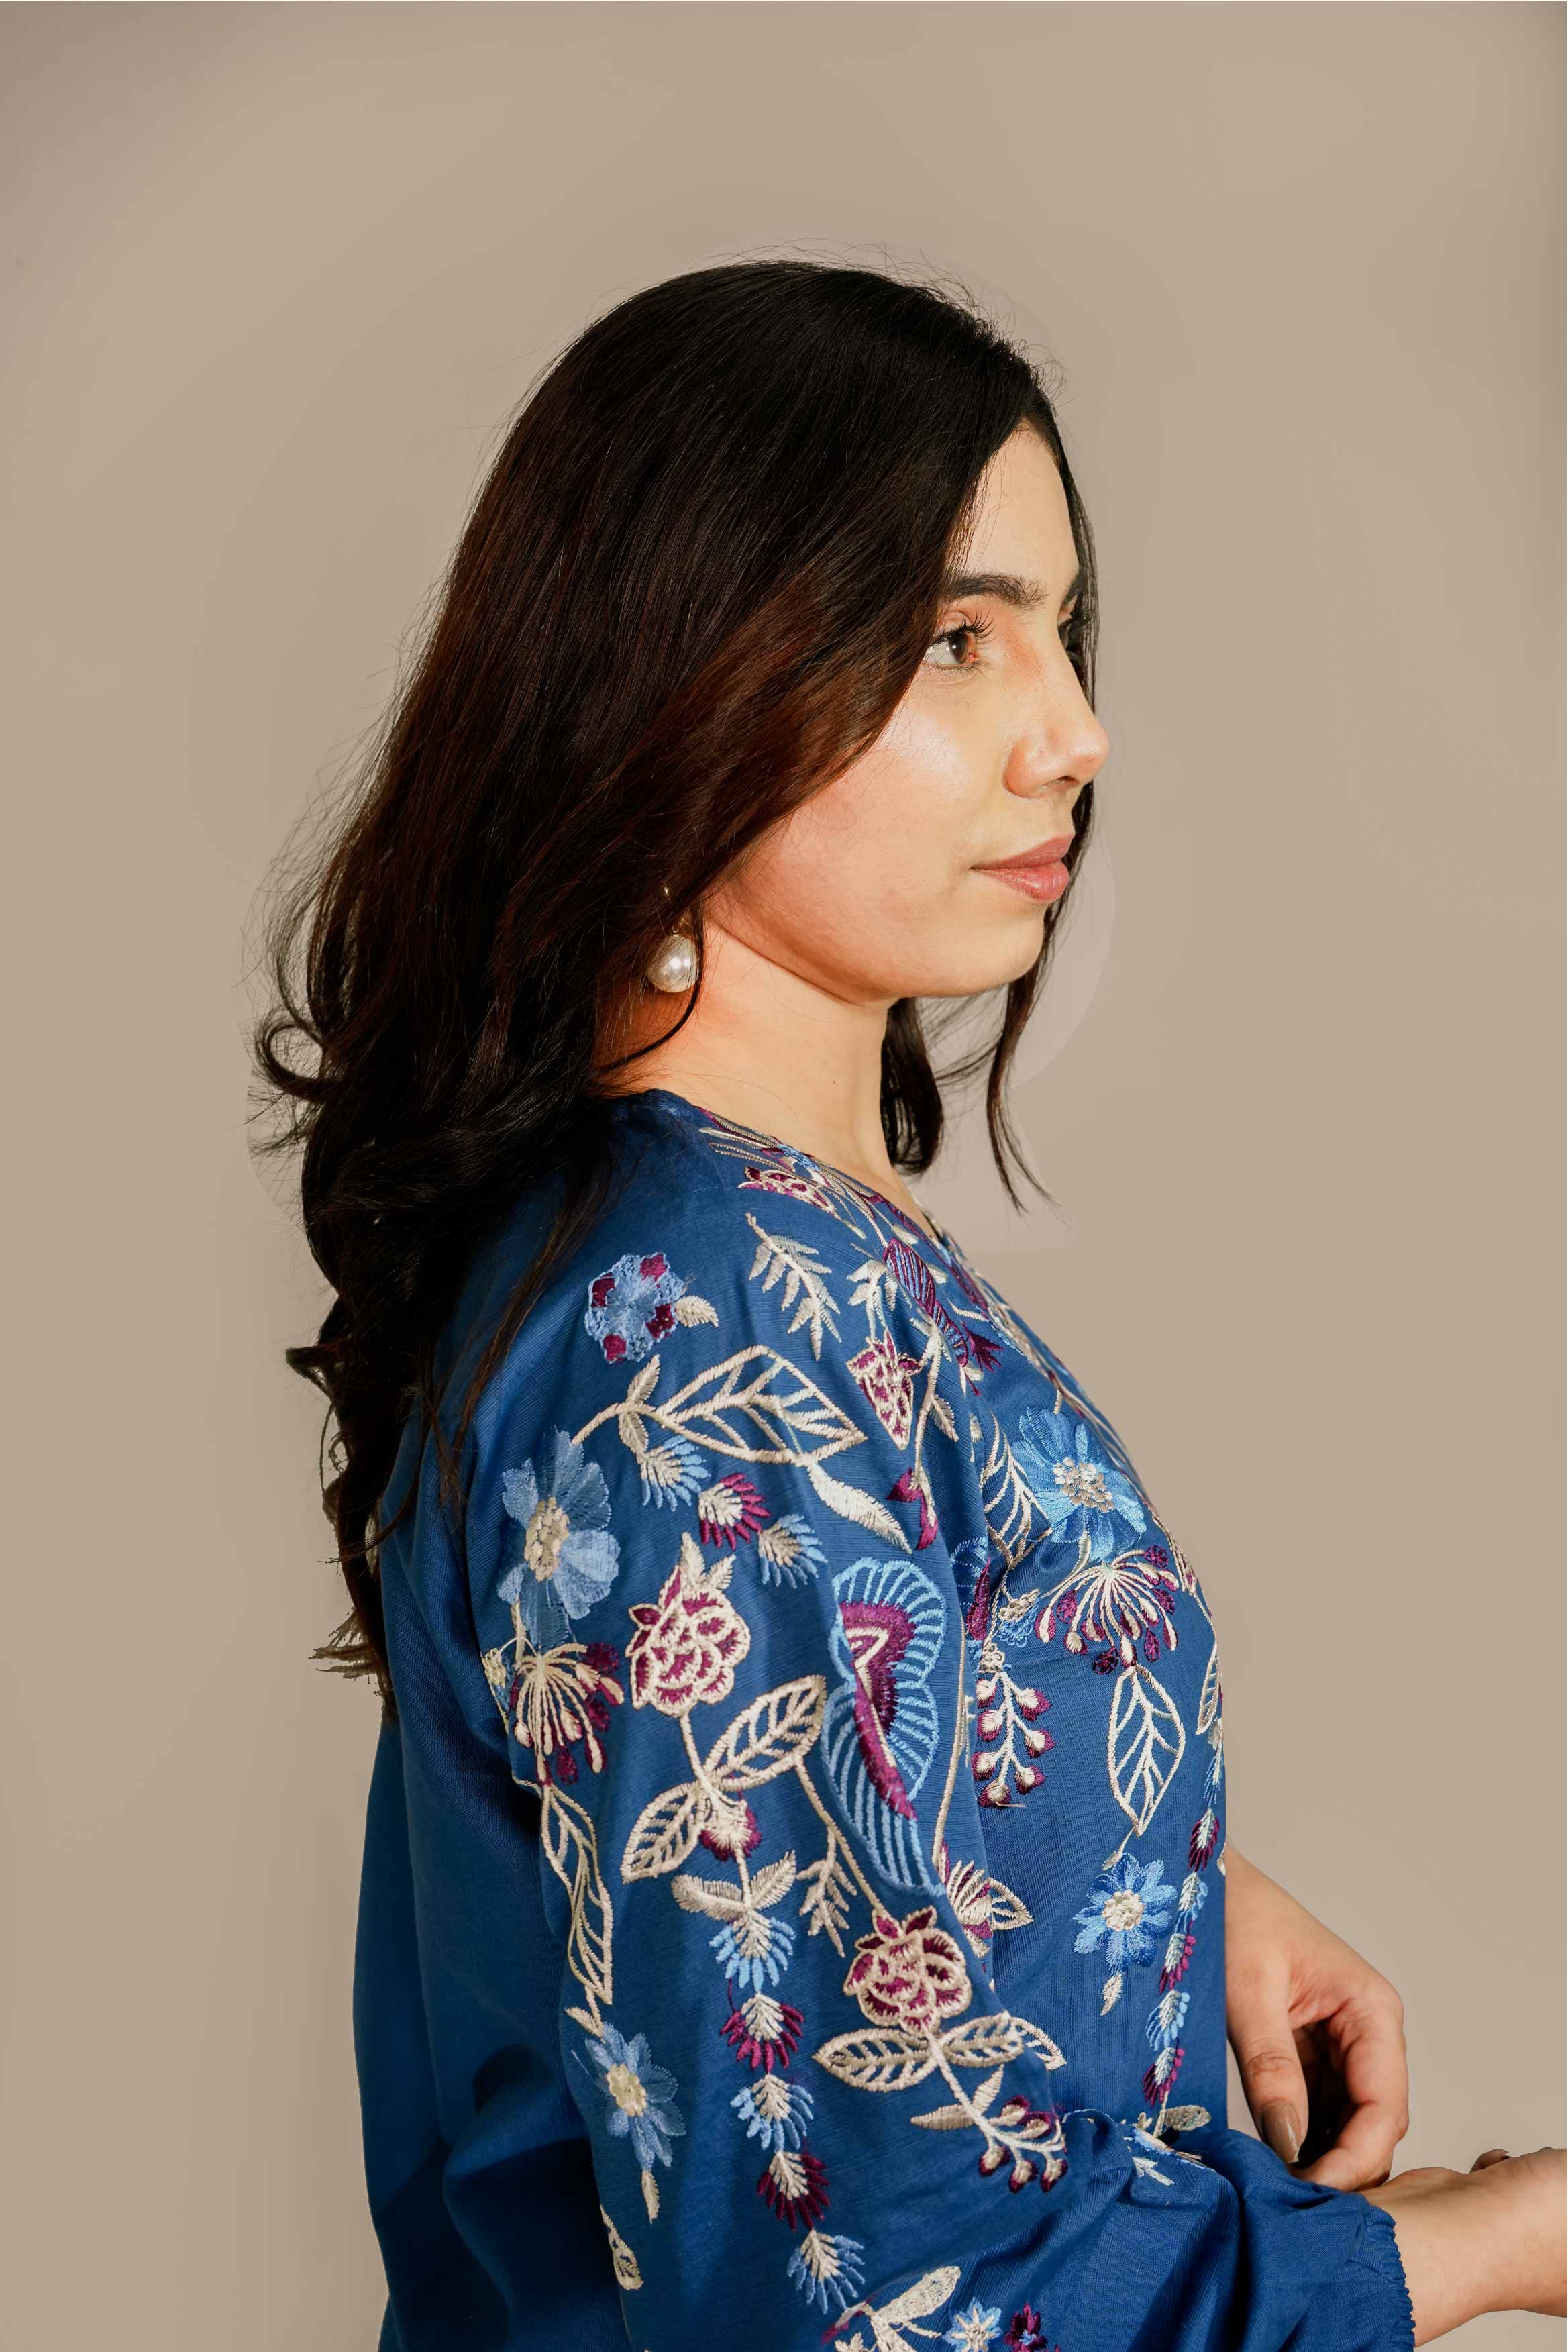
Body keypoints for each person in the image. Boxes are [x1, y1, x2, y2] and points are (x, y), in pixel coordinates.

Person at [253, 260, 1565, 2352]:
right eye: (961, 637)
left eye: (1061, 629)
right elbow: (875, 2302)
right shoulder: (702, 1349)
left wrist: (1157, 1890)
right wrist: (1485, 2242)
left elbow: (775, 1878)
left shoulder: (712, 1252)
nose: (1076, 730)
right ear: (689, 664)